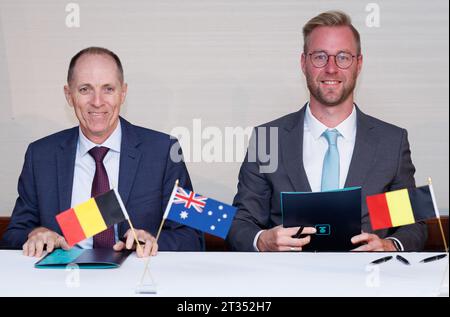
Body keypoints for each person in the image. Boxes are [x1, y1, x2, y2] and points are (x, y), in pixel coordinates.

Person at [227, 11, 427, 252]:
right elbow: (242, 221)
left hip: (367, 284)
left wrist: (389, 245)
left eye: (343, 57)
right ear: (303, 63)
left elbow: (412, 224)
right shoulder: (267, 139)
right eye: (320, 57)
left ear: (359, 64)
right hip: (287, 283)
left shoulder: (391, 143)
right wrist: (262, 240)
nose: (331, 68)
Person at [2, 47, 203, 257]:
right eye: (85, 89)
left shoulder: (164, 150)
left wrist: (154, 241)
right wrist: (36, 234)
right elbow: (13, 235)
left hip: (135, 281)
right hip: (62, 283)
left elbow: (193, 236)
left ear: (122, 93)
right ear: (69, 95)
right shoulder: (41, 155)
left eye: (108, 89)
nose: (97, 102)